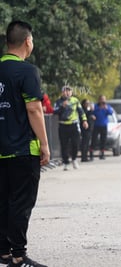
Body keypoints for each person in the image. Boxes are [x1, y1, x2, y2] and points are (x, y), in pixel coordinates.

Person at [0, 20, 50, 267]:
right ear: (28, 41)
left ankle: (3, 253)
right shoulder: (27, 71)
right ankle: (19, 256)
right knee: (20, 203)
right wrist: (44, 144)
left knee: (2, 201)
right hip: (22, 150)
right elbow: (34, 110)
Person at [54, 86, 88, 170]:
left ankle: (74, 159)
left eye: (69, 91)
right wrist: (62, 106)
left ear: (71, 92)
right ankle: (65, 162)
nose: (67, 92)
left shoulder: (75, 100)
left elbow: (81, 111)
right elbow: (55, 111)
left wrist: (84, 120)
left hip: (73, 125)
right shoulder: (58, 102)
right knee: (64, 145)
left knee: (75, 143)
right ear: (62, 92)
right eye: (65, 91)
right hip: (63, 125)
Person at [90, 95, 113, 160]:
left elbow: (111, 113)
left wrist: (106, 108)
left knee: (103, 140)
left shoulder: (107, 106)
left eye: (104, 99)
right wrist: (98, 109)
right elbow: (92, 112)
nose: (103, 101)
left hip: (104, 125)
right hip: (96, 125)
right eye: (101, 99)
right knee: (94, 140)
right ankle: (91, 154)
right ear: (99, 100)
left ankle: (102, 154)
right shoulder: (95, 106)